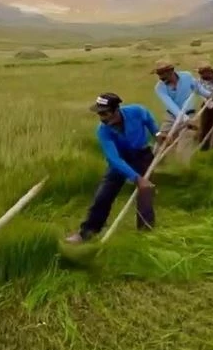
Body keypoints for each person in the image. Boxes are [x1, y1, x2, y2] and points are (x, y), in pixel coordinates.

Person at [65, 93, 159, 243]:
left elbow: (147, 118)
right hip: (120, 161)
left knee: (145, 191)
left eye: (104, 113)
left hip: (142, 155)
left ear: (116, 110)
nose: (101, 117)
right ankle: (87, 232)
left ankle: (146, 232)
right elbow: (113, 158)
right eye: (99, 114)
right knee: (103, 195)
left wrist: (158, 133)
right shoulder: (103, 130)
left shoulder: (136, 111)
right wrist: (136, 178)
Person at [152, 58, 200, 160]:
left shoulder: (187, 76)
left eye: (162, 74)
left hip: (190, 114)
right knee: (160, 142)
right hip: (171, 116)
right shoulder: (159, 87)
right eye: (158, 74)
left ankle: (183, 170)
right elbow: (171, 106)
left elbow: (198, 88)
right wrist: (185, 119)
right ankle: (157, 168)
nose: (160, 77)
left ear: (171, 71)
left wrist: (210, 96)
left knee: (183, 149)